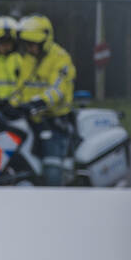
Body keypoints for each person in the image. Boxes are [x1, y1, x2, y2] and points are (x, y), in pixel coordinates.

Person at [9, 14, 77, 186]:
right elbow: (20, 88)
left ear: (45, 41)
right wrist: (10, 104)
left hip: (54, 120)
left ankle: (54, 198)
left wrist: (39, 102)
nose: (30, 48)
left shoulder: (61, 58)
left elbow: (58, 89)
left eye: (33, 44)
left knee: (51, 169)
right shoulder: (29, 60)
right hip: (31, 118)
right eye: (27, 44)